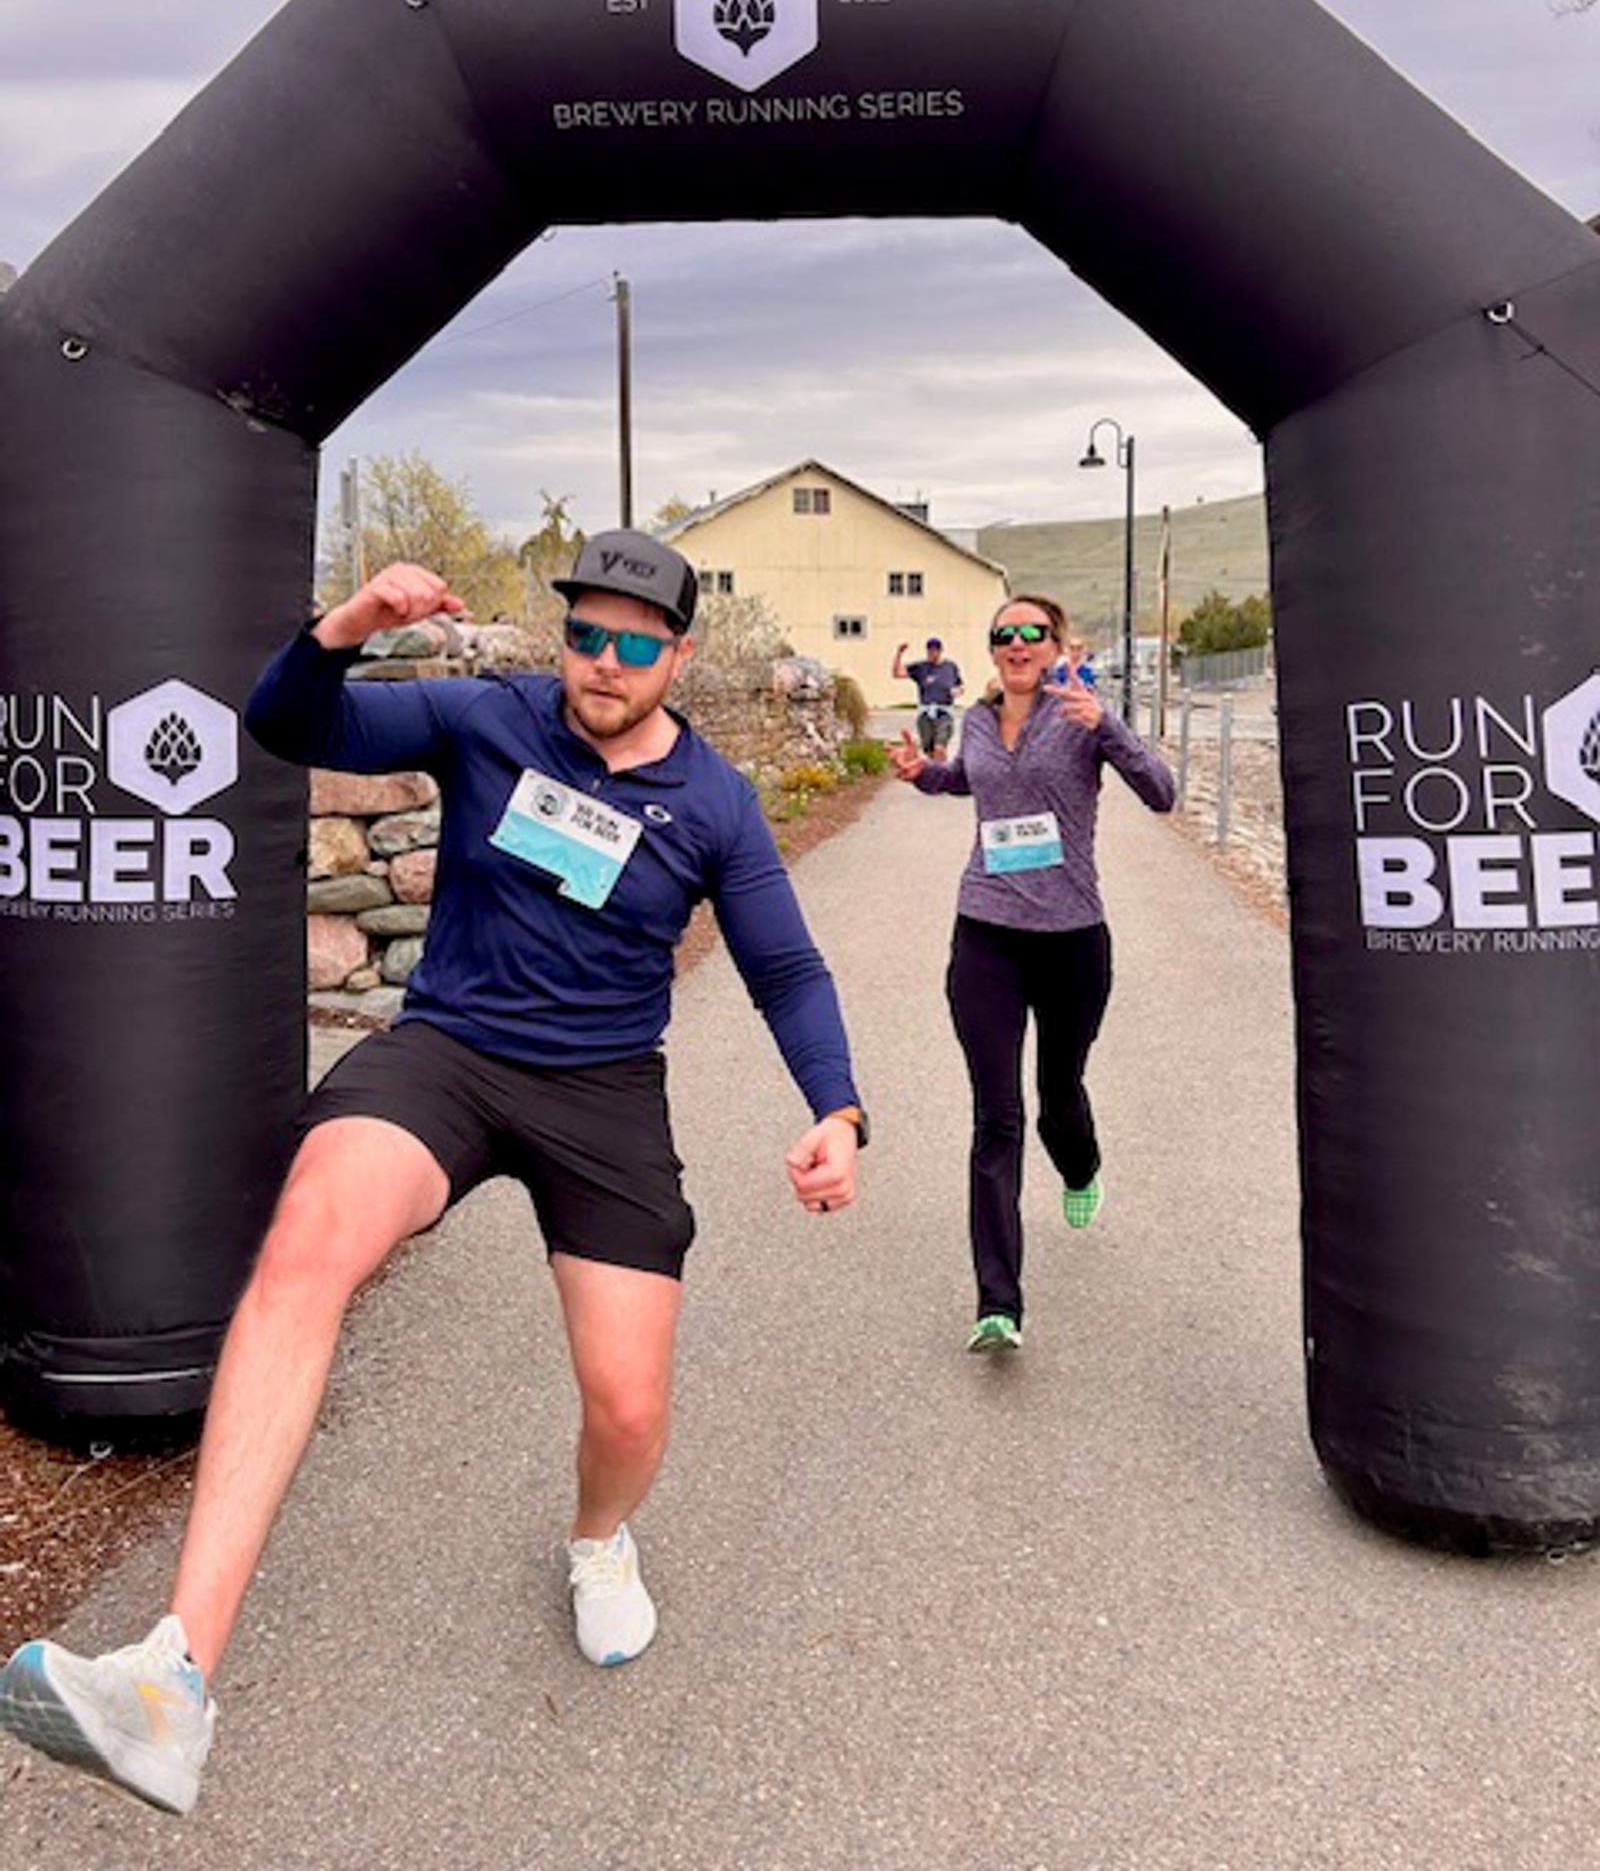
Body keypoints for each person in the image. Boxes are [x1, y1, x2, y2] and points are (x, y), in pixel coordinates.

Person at [0, 529, 867, 1816]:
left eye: (637, 643)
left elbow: (785, 970)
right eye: (586, 632)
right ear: (562, 635)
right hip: (449, 1054)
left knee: (626, 1407)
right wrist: (345, 621)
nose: (605, 662)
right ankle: (170, 1680)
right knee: (305, 1250)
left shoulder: (718, 806)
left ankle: (597, 1541)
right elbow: (291, 724)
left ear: (678, 655)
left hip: (606, 1090)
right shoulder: (487, 715)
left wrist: (836, 1109)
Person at [888, 593, 1173, 1356]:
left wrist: (1107, 726)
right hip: (985, 935)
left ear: (1056, 643)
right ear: (992, 650)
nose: (1016, 643)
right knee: (997, 1114)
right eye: (1002, 634)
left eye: (1031, 633)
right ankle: (998, 1302)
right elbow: (970, 784)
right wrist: (925, 772)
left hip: (1073, 940)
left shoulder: (1080, 716)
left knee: (1058, 1097)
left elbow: (1163, 793)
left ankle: (1080, 1166)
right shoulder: (978, 719)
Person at [892, 636, 963, 762]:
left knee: (939, 749)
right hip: (925, 714)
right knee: (930, 752)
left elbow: (960, 685)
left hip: (944, 713)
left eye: (936, 650)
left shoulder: (950, 667)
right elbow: (897, 673)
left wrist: (957, 691)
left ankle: (944, 777)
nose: (933, 654)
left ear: (941, 651)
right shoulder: (921, 667)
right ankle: (936, 776)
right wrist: (899, 653)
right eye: (930, 651)